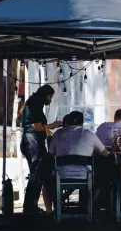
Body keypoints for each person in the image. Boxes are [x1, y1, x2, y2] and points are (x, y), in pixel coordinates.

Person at [46, 111, 108, 214]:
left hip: (61, 176)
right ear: (82, 122)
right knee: (104, 176)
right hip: (85, 176)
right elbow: (106, 154)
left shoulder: (58, 134)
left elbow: (50, 154)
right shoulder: (89, 134)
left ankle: (53, 209)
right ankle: (90, 205)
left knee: (46, 179)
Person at [19, 84, 62, 214]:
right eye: (50, 97)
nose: (50, 100)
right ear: (45, 95)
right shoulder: (35, 105)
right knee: (36, 174)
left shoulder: (33, 103)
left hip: (32, 141)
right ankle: (29, 207)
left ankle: (32, 204)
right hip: (32, 141)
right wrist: (52, 125)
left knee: (38, 174)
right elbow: (36, 126)